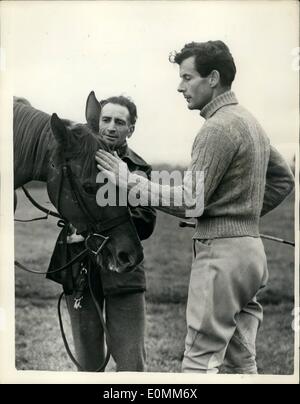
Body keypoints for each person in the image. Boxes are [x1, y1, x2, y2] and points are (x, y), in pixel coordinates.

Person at [95, 41, 295, 374]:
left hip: (222, 259)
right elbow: (285, 180)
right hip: (252, 255)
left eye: (187, 77)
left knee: (199, 363)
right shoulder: (249, 120)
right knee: (241, 359)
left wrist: (127, 179)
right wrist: (237, 215)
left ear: (213, 78)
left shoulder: (216, 127)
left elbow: (191, 200)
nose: (180, 86)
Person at [48, 94, 156, 372]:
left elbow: (145, 221)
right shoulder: (76, 158)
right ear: (96, 122)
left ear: (130, 129)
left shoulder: (138, 167)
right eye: (105, 119)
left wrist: (93, 232)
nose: (110, 127)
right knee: (88, 364)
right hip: (79, 272)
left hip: (124, 274)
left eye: (119, 122)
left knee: (131, 363)